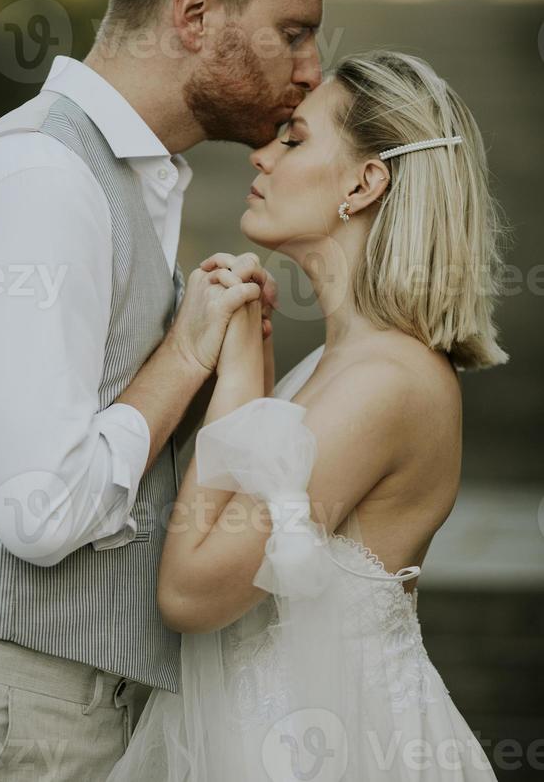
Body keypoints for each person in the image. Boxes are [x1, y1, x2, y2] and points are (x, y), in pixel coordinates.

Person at [0, 0, 334, 780]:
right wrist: (181, 354)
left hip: (36, 708)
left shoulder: (116, 181)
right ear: (195, 13)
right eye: (292, 31)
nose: (311, 68)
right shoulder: (43, 180)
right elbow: (41, 510)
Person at [106, 50, 507, 781]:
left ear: (365, 182)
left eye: (293, 138)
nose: (260, 155)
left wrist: (229, 373)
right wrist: (248, 375)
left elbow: (190, 590)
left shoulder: (386, 382)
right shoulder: (332, 369)